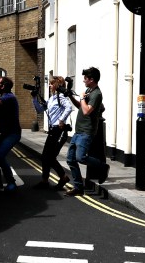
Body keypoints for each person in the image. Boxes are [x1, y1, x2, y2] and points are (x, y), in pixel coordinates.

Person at [64, 67, 110, 197]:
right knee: (70, 159)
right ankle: (78, 187)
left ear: (92, 80)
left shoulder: (96, 94)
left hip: (87, 131)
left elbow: (87, 111)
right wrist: (71, 97)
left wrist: (83, 98)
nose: (84, 80)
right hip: (79, 131)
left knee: (80, 157)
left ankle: (102, 166)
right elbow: (80, 106)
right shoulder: (89, 91)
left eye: (85, 78)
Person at [31, 76, 74, 190]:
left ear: (57, 85)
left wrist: (61, 120)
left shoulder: (61, 97)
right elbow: (40, 110)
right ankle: (49, 180)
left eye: (51, 84)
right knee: (47, 157)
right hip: (52, 130)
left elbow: (69, 107)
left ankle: (59, 177)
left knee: (48, 157)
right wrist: (34, 98)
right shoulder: (52, 98)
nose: (49, 86)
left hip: (57, 130)